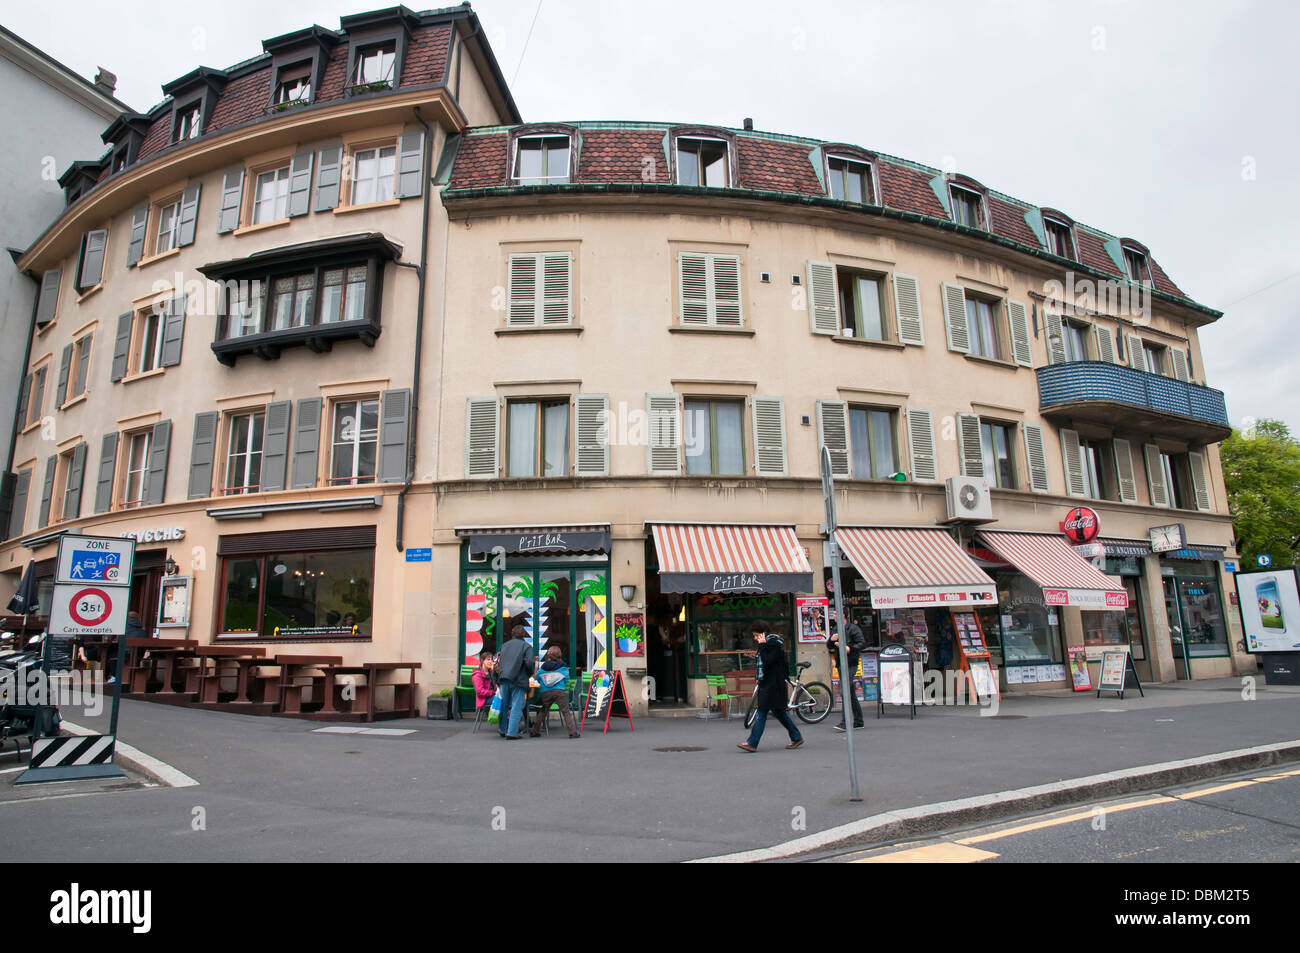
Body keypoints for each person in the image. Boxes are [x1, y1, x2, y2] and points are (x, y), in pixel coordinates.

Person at [737, 620, 803, 752]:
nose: (755, 638)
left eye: (756, 635)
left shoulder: (774, 644)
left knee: (761, 712)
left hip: (773, 684)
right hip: (768, 683)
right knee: (779, 712)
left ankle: (752, 743)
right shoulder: (768, 645)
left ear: (763, 634)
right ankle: (796, 737)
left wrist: (762, 645)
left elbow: (767, 661)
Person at [494, 625, 535, 739]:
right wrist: (528, 674)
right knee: (517, 706)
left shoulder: (504, 646)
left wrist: (497, 677)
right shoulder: (526, 647)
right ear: (524, 635)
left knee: (504, 705)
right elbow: (530, 663)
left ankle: (502, 729)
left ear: (512, 634)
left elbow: (496, 661)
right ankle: (511, 733)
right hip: (519, 679)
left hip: (504, 678)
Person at [530, 645, 579, 738]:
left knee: (543, 711)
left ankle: (534, 731)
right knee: (565, 711)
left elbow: (538, 678)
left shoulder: (543, 667)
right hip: (559, 692)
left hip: (546, 693)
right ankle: (572, 732)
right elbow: (566, 679)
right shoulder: (563, 666)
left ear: (549, 655)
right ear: (559, 654)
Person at [828, 615, 866, 731]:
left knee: (844, 690)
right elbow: (829, 646)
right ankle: (859, 721)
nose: (833, 616)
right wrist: (831, 640)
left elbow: (862, 643)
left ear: (842, 614)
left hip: (851, 663)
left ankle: (845, 722)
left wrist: (849, 648)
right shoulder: (835, 629)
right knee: (850, 692)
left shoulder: (853, 628)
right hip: (840, 663)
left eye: (835, 614)